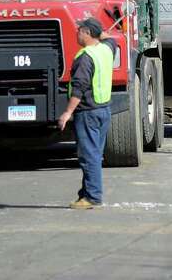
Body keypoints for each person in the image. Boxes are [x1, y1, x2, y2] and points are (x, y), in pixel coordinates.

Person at [57, 17, 116, 209]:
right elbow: (110, 39)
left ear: (87, 33)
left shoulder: (85, 56)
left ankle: (92, 197)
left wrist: (67, 112)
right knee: (94, 154)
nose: (77, 33)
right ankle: (85, 194)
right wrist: (100, 33)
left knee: (89, 156)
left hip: (87, 113)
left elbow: (79, 88)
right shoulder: (106, 49)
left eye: (79, 30)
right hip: (103, 110)